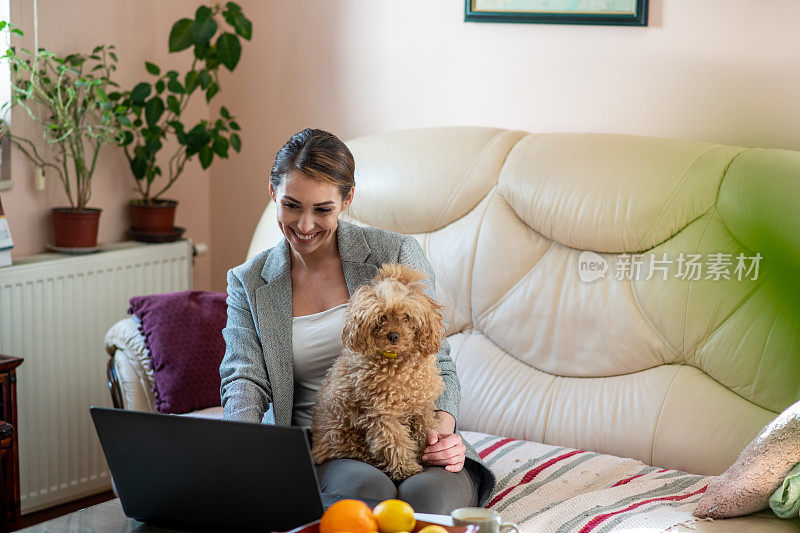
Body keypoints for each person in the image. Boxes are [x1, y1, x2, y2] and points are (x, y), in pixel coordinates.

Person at [219, 128, 496, 513]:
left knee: (429, 499)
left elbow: (439, 360)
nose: (303, 225)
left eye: (323, 209)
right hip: (326, 446)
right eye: (292, 205)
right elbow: (244, 379)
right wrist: (242, 454)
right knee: (367, 496)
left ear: (347, 200)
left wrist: (442, 432)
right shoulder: (250, 281)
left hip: (413, 433)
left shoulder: (393, 253)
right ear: (273, 193)